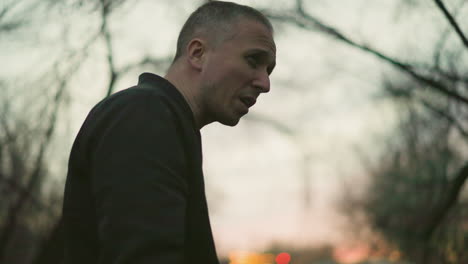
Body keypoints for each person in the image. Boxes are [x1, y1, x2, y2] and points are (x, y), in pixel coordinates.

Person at [62, 1, 276, 263]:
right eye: (254, 60)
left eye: (269, 70)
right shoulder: (143, 112)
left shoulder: (165, 121)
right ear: (197, 53)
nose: (265, 83)